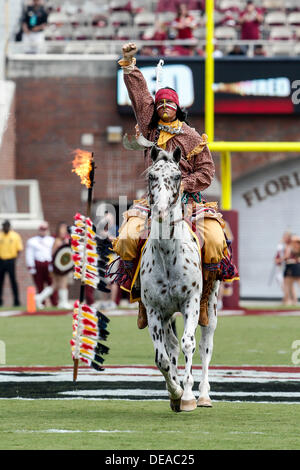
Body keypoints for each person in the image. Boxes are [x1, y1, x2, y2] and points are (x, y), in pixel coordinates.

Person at [113, 42, 238, 330]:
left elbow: (207, 172)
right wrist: (130, 64)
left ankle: (204, 300)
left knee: (217, 242)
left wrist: (184, 185)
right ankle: (143, 300)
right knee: (128, 238)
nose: (164, 107)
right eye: (160, 104)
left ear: (178, 107)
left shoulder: (193, 137)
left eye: (169, 103)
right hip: (153, 201)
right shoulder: (150, 129)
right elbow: (140, 98)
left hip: (190, 201)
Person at [34, 222, 73, 309]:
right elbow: (54, 255)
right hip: (58, 266)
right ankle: (63, 302)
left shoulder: (64, 240)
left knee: (55, 285)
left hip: (61, 265)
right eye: (62, 229)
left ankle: (39, 298)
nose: (64, 231)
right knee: (62, 283)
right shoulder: (57, 241)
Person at [26, 221, 57, 308]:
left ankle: (54, 302)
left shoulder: (51, 240)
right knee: (39, 284)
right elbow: (29, 254)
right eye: (41, 229)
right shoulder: (32, 241)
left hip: (48, 264)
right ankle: (41, 303)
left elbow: (53, 253)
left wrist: (53, 266)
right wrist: (31, 266)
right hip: (38, 264)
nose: (43, 231)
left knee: (52, 284)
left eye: (44, 230)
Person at [0, 220, 23, 307]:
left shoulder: (15, 236)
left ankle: (16, 301)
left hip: (11, 260)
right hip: (1, 260)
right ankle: (0, 301)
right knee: (0, 281)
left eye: (6, 226)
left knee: (13, 281)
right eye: (4, 226)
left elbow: (19, 249)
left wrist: (14, 260)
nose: (5, 228)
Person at [282, 235, 300, 305]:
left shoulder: (290, 247)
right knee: (290, 285)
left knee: (288, 284)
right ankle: (292, 300)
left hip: (292, 267)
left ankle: (288, 300)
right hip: (295, 266)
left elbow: (286, 256)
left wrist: (281, 259)